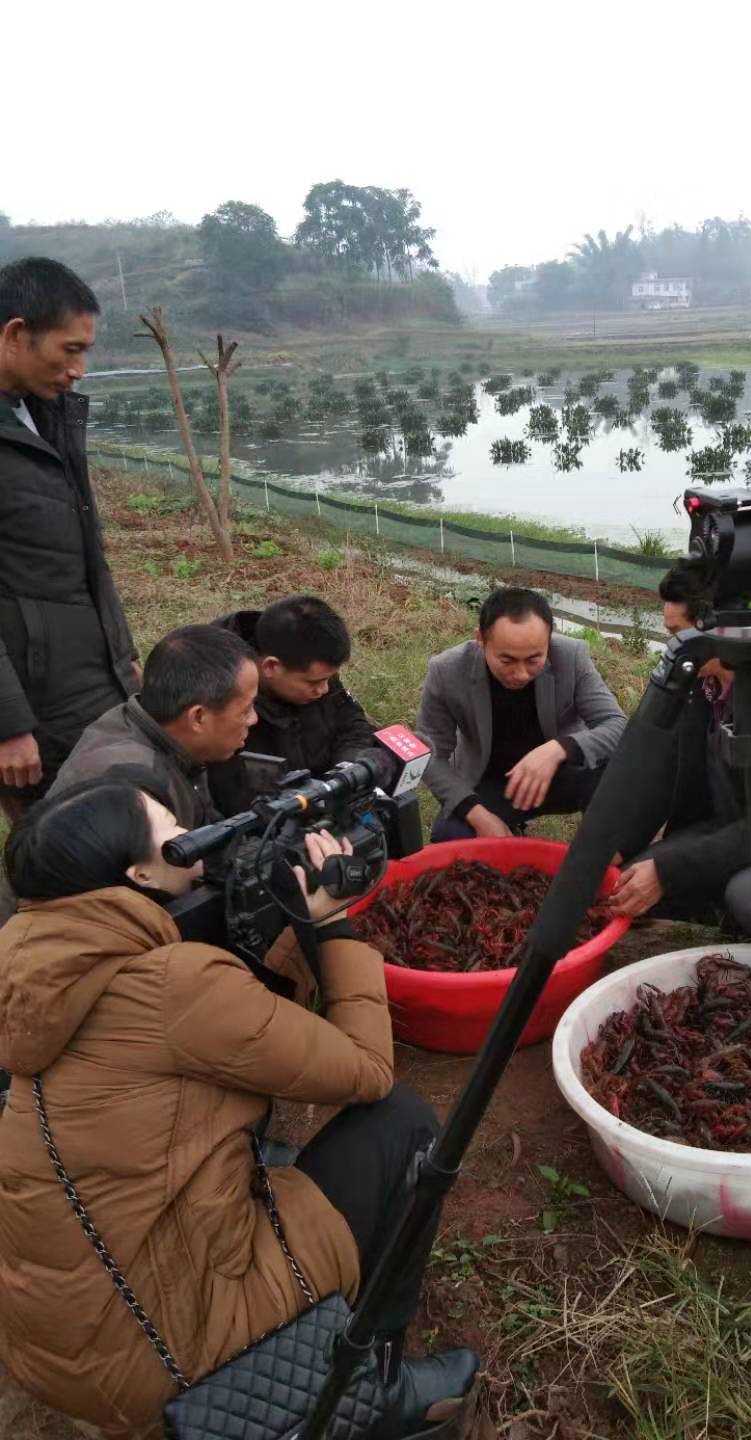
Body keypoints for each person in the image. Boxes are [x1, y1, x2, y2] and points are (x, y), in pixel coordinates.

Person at [0, 775, 478, 1438]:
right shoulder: (174, 985)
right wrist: (331, 924)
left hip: (60, 1342)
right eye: (176, 831)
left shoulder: (34, 975)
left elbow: (218, 1046)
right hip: (169, 1358)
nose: (194, 840)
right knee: (401, 1123)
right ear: (139, 870)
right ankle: (374, 1378)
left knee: (269, 1156)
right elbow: (366, 1070)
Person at [608, 578, 751, 944]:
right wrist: (615, 847)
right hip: (726, 829)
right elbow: (663, 778)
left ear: (719, 630)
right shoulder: (699, 682)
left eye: (678, 634)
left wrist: (670, 871)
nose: (672, 647)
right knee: (628, 879)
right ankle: (719, 910)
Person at [0, 257, 139, 821]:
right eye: (70, 349)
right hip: (34, 708)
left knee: (126, 830)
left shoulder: (45, 414)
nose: (79, 368)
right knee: (60, 848)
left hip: (92, 679)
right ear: (15, 334)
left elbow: (86, 559)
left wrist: (123, 658)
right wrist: (8, 725)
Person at [416, 587, 626, 842]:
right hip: (493, 780)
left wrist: (559, 749)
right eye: (506, 660)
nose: (521, 674)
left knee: (616, 780)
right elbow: (431, 754)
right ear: (480, 639)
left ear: (549, 640)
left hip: (563, 772)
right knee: (451, 834)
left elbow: (617, 725)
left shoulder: (571, 657)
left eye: (533, 660)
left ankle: (606, 860)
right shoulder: (447, 671)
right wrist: (476, 813)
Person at [47, 622, 259, 830]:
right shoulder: (136, 791)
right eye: (246, 710)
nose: (254, 719)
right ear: (198, 717)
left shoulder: (151, 727)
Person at [210, 594, 380, 811]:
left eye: (330, 678)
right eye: (315, 682)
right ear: (271, 667)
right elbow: (229, 796)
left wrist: (346, 773)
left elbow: (353, 726)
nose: (325, 689)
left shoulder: (310, 664)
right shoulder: (222, 703)